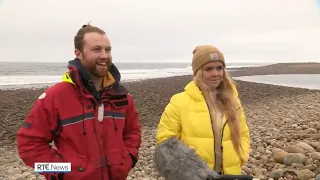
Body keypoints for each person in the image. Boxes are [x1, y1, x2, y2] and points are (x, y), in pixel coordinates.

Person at [16, 24, 142, 180]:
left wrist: (129, 159)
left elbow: (133, 131)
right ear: (78, 53)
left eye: (107, 50)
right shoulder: (56, 96)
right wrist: (62, 172)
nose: (104, 55)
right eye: (96, 49)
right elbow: (28, 143)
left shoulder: (122, 95)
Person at [154, 45, 251, 180]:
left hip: (230, 174)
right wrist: (197, 173)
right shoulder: (179, 102)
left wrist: (240, 157)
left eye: (219, 68)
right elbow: (165, 144)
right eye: (208, 69)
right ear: (198, 72)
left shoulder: (233, 102)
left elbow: (243, 134)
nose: (216, 73)